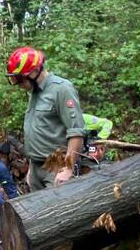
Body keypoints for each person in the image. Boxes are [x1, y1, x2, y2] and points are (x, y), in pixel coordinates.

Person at [5, 47, 85, 191]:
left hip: (56, 167)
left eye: (21, 80)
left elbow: (76, 132)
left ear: (35, 72)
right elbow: (38, 132)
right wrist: (32, 168)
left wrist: (68, 168)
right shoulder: (34, 92)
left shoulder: (61, 89)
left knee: (59, 212)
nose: (19, 85)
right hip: (36, 167)